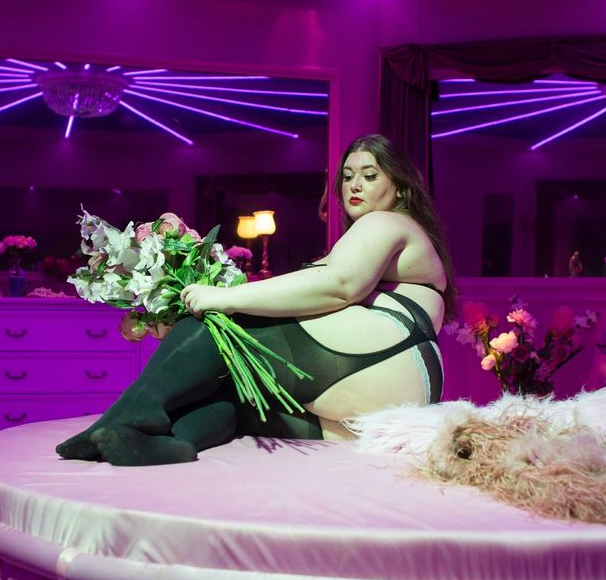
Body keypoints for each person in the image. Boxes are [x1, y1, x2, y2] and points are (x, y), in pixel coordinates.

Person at [56, 134, 456, 467]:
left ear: (400, 188)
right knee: (234, 398)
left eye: (370, 176)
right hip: (392, 384)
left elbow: (340, 285)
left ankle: (128, 417)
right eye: (348, 176)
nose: (354, 185)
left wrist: (225, 298)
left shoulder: (385, 221)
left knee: (216, 327)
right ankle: (169, 443)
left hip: (388, 356)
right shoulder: (391, 233)